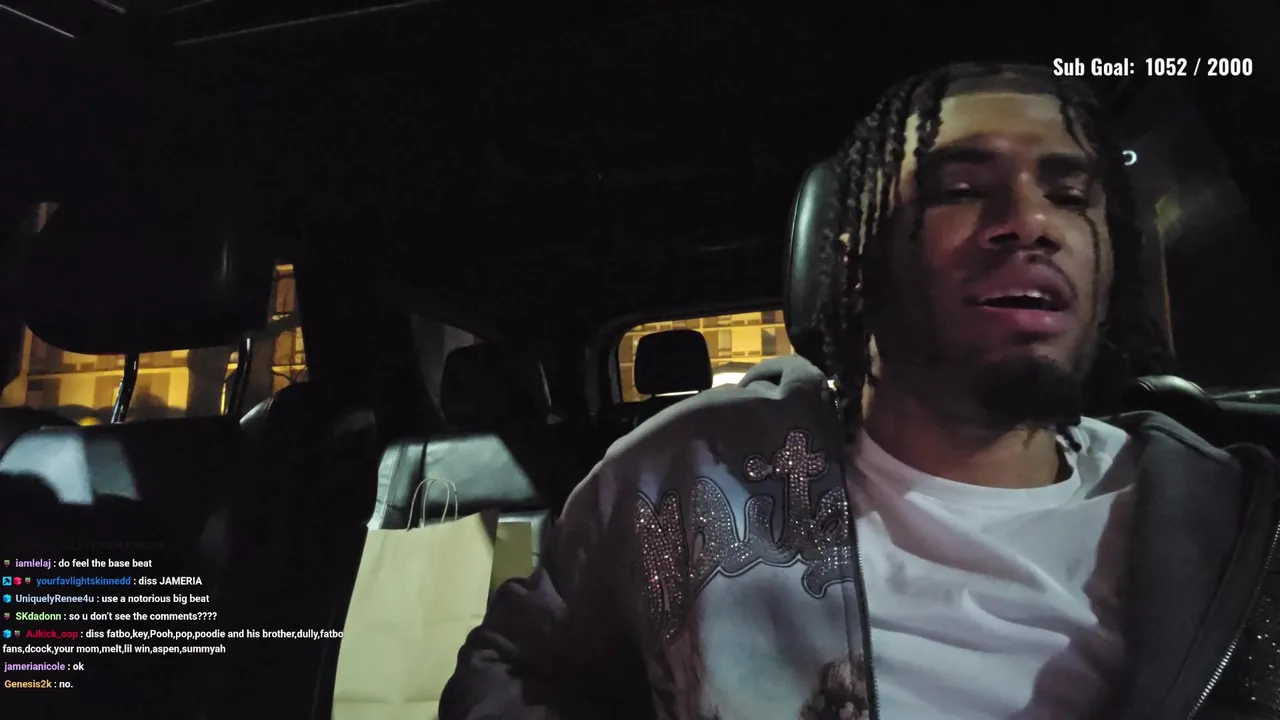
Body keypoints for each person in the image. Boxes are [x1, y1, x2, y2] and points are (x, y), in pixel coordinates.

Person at [439, 63, 1279, 720]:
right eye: (959, 189)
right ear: (853, 256)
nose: (1032, 221)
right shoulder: (685, 475)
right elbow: (516, 668)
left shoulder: (1235, 520)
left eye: (1070, 195)